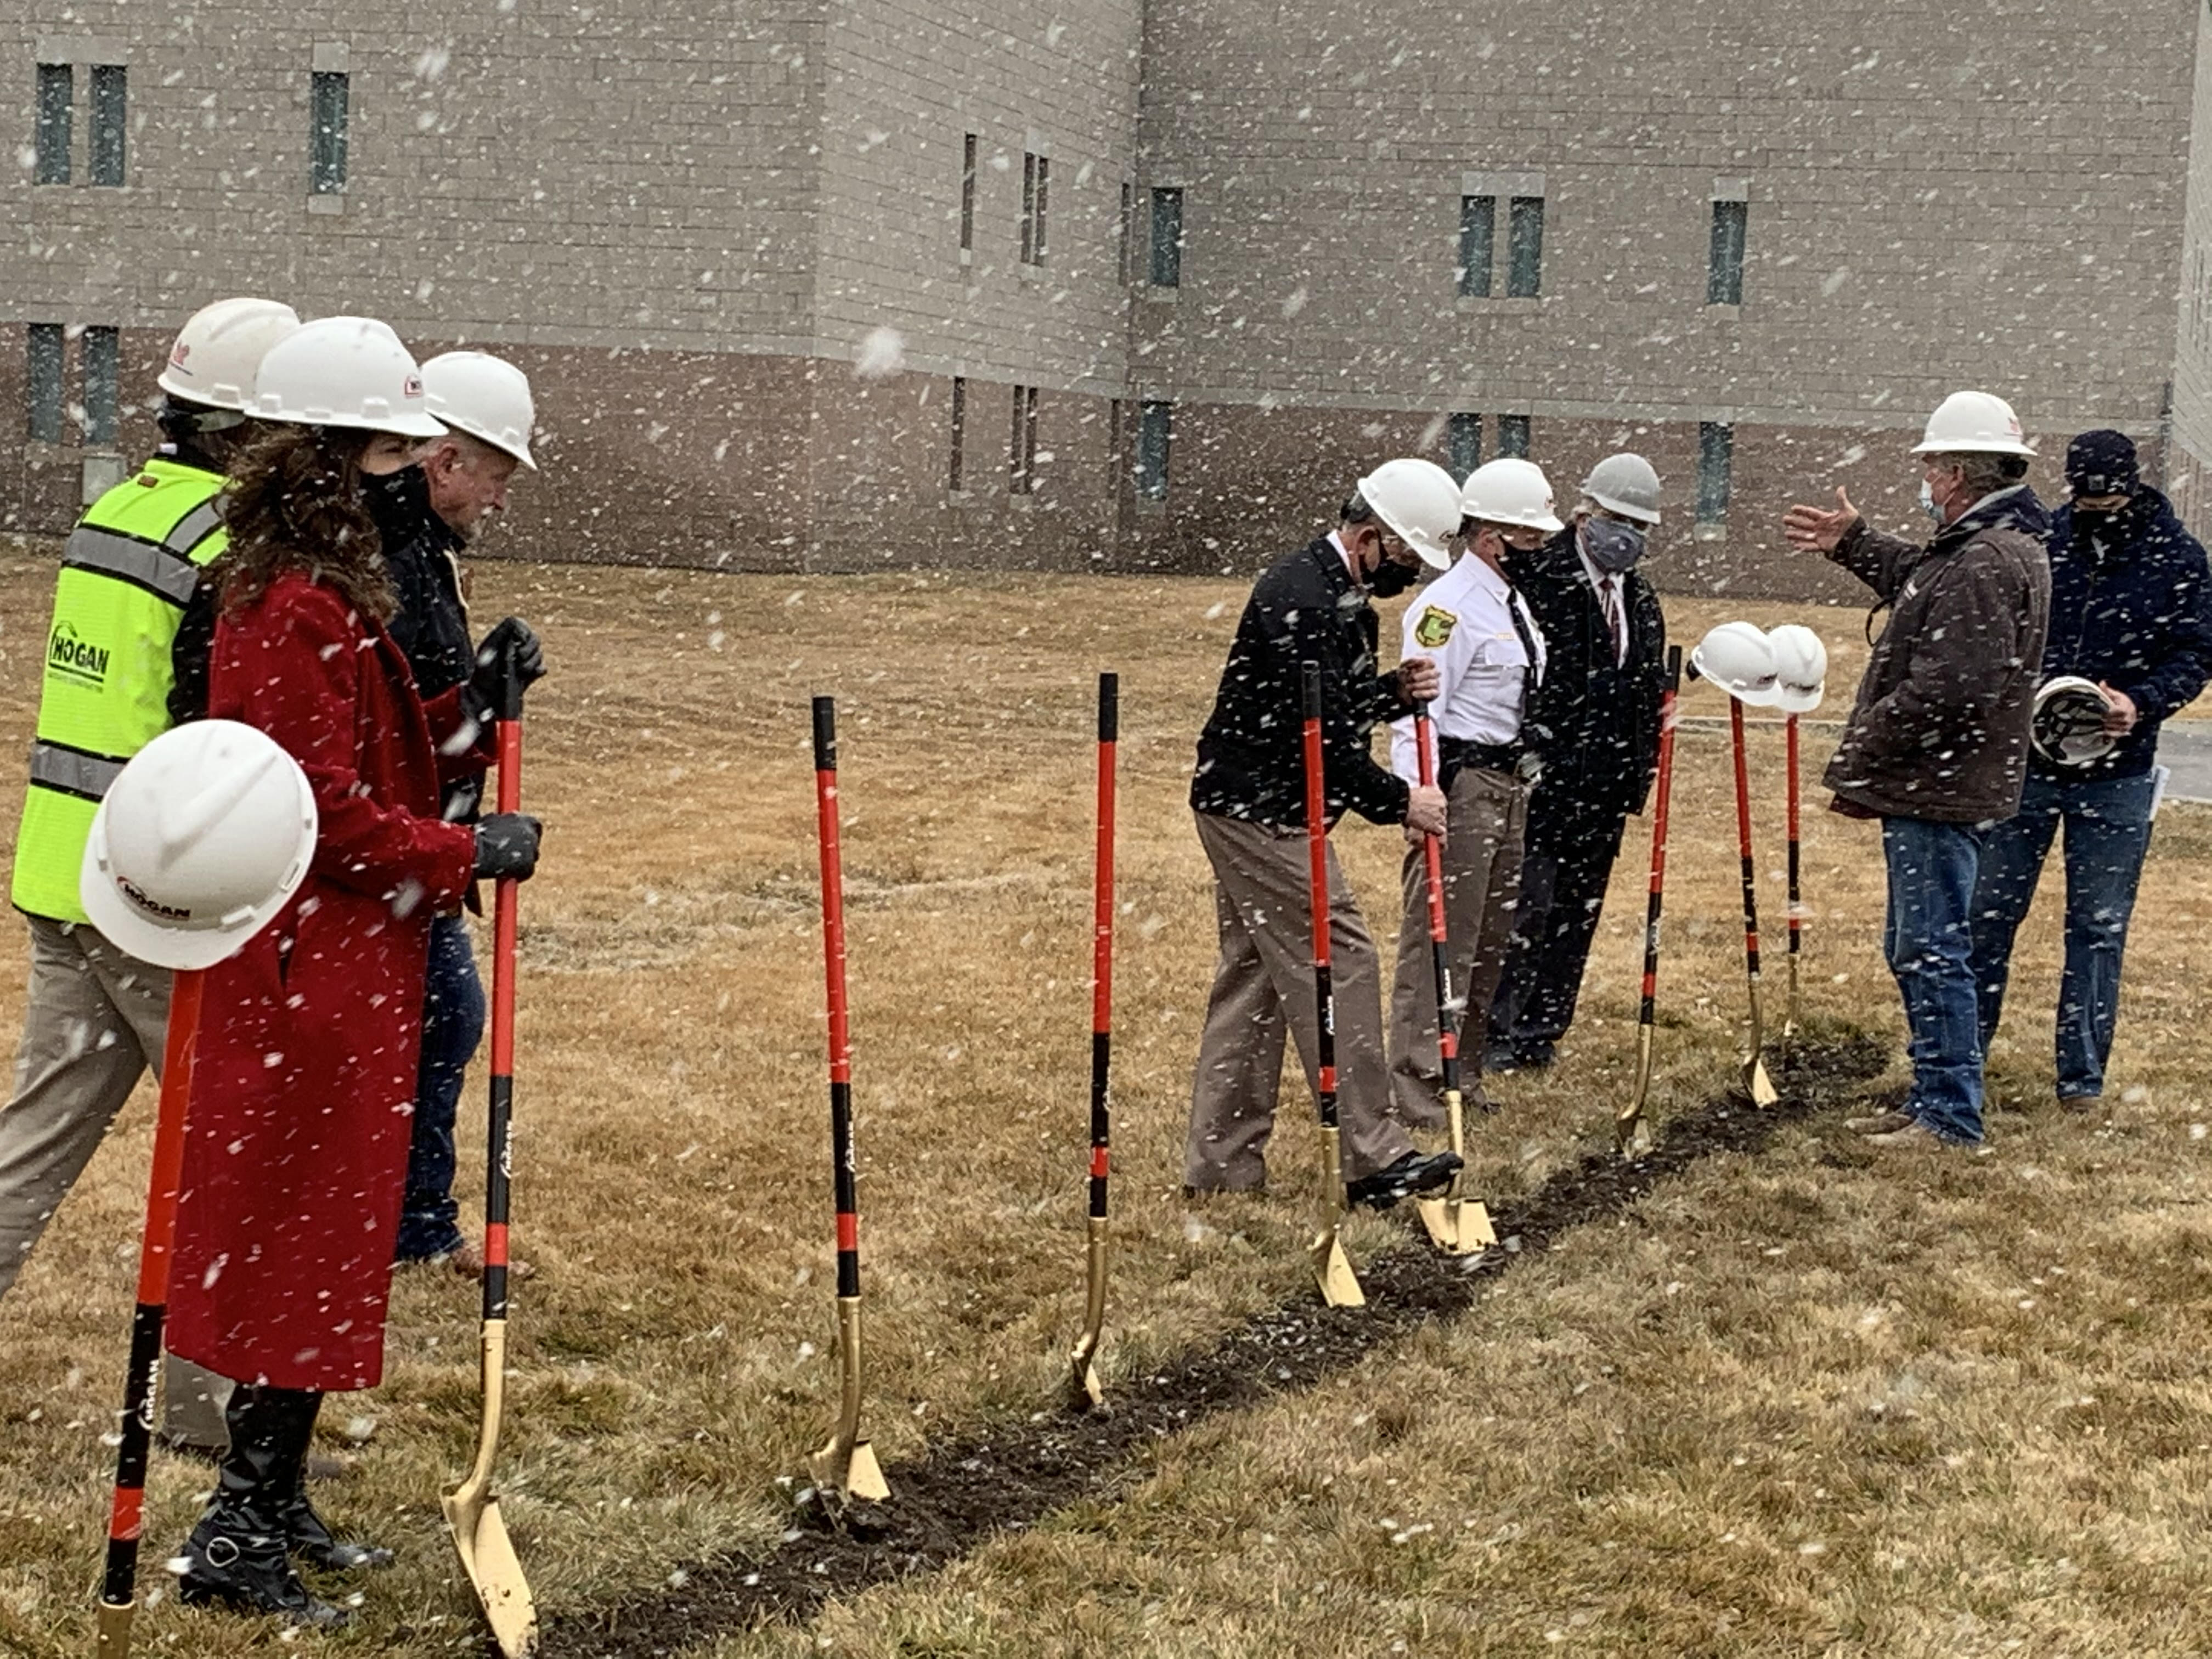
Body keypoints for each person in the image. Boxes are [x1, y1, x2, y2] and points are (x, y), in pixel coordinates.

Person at [162, 315, 545, 1628]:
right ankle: (235, 1536)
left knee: (322, 1249)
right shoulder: (277, 603)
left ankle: (277, 1497)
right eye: (389, 452)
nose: (410, 472)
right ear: (322, 461)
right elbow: (313, 806)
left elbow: (381, 744)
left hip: (348, 971)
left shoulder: (332, 591)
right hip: (305, 979)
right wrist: (459, 850)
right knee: (290, 1249)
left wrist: (472, 713)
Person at [0, 297, 301, 1454]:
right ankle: (207, 1412)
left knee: (36, 1136)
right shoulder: (228, 545)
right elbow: (215, 738)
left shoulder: (116, 510)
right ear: (251, 427)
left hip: (62, 873)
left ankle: (207, 1405)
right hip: (158, 890)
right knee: (232, 1146)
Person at [1186, 460, 1465, 1210]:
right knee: (1343, 956)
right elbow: (1327, 749)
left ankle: (1220, 1169)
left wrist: (1390, 694)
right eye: (1405, 561)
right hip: (1258, 810)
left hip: (1259, 798)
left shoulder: (1339, 597)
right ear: (1369, 537)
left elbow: (1330, 715)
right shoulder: (1306, 599)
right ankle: (1375, 1159)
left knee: (1256, 982)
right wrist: (1405, 801)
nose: (1405, 577)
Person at [1782, 390, 2051, 1149]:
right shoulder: (1993, 546)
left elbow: (1952, 687)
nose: (1926, 480)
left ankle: (1948, 1114)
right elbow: (1920, 573)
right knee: (1919, 946)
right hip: (1947, 785)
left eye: (1932, 466)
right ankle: (1935, 1096)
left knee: (1931, 951)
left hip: (1941, 789)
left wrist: (1866, 740)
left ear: (1960, 474)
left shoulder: (1986, 559)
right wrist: (1855, 542)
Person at [1967, 430, 2212, 1112]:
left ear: (2132, 486)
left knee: (2099, 926)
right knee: (1989, 915)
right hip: (2029, 767)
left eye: (2108, 495)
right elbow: (2005, 632)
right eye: (2085, 495)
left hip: (2120, 773)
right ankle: (1964, 1062)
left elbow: (2197, 652)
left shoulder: (2177, 558)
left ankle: (2081, 1081)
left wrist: (2141, 702)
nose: (2097, 507)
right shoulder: (2045, 542)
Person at [383, 349, 541, 1277]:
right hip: (399, 853)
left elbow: (426, 713)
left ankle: (413, 1223)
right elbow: (398, 733)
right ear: (444, 462)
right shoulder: (394, 563)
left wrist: (482, 694)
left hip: (422, 850)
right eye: (495, 476)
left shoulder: (421, 557)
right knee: (444, 1012)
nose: (500, 499)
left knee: (444, 1015)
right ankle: (407, 1226)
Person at [1485, 454, 1668, 1071]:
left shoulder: (1639, 597)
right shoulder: (1539, 579)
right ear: (1584, 513)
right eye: (1620, 520)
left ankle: (1542, 1029)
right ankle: (1497, 1030)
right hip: (1544, 779)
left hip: (1606, 787)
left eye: (1642, 526)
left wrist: (1640, 765)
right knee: (1525, 907)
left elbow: (1642, 688)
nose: (1630, 536)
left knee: (1576, 911)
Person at [1385, 458, 1554, 1126]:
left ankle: (1466, 1069)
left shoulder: (1511, 604)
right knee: (1442, 941)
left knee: (1489, 940)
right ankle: (1419, 1084)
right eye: (1531, 541)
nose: (1541, 553)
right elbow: (1417, 710)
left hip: (1511, 786)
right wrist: (1416, 795)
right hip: (1465, 786)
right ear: (1491, 538)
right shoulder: (1446, 609)